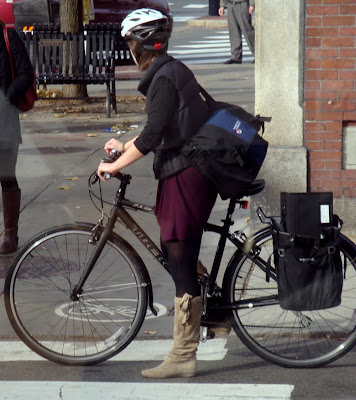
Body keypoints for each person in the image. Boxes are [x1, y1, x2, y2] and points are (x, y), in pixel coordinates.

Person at [97, 9, 217, 379]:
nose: (129, 50)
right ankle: (219, 312)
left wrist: (114, 166)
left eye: (130, 43)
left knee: (180, 257)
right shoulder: (172, 70)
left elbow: (152, 138)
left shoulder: (163, 78)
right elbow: (160, 128)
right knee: (176, 248)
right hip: (187, 169)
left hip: (186, 173)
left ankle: (183, 354)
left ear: (140, 45)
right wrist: (123, 146)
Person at [0, 20, 34, 254]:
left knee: (7, 178)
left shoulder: (7, 37)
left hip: (4, 121)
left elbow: (26, 74)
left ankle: (11, 235)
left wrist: (8, 99)